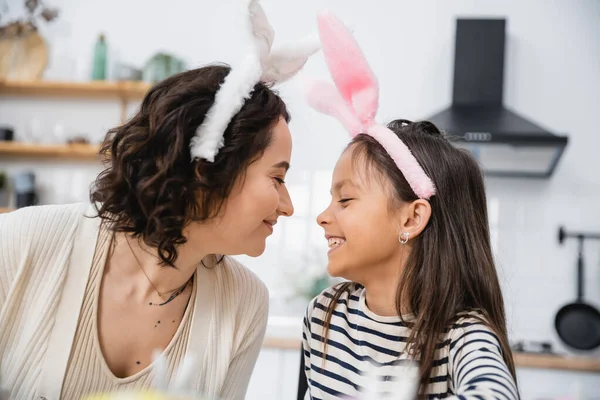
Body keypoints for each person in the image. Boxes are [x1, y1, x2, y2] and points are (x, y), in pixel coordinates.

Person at [0, 1, 320, 398]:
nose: (287, 205)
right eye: (277, 177)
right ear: (208, 168)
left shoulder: (243, 304)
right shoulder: (22, 242)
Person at [301, 11, 519, 399]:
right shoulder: (325, 314)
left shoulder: (462, 334)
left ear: (412, 216)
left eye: (346, 199)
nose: (322, 216)